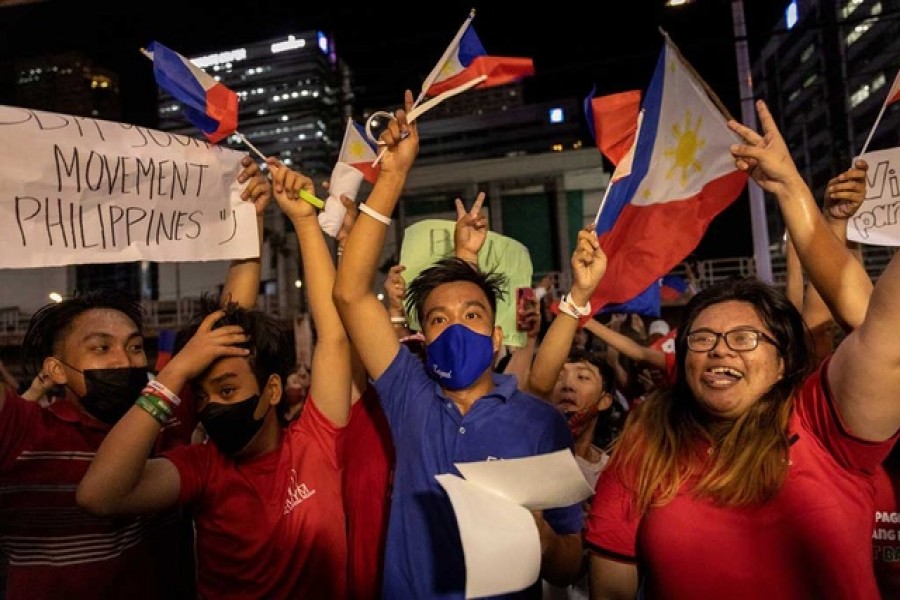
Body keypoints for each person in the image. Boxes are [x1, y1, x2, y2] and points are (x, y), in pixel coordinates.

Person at [585, 99, 899, 599]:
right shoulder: (649, 442)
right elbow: (611, 591)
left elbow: (887, 331)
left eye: (745, 338)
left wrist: (791, 189)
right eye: (702, 339)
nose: (720, 352)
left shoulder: (825, 424)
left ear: (782, 362)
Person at [333, 90, 584, 598]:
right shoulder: (410, 394)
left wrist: (542, 541)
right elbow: (351, 293)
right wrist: (394, 178)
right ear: (422, 338)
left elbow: (569, 565)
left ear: (496, 337)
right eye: (439, 320)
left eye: (473, 317)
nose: (457, 329)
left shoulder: (540, 422)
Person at [76, 161, 352, 598]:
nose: (210, 408)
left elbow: (334, 335)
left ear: (273, 390)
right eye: (201, 397)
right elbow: (98, 496)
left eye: (227, 391)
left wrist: (301, 220)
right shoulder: (202, 467)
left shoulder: (315, 441)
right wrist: (178, 370)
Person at [0, 156, 269, 600]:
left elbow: (228, 324)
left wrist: (247, 223)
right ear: (53, 369)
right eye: (100, 348)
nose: (124, 359)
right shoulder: (21, 428)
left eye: (134, 346)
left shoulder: (164, 416)